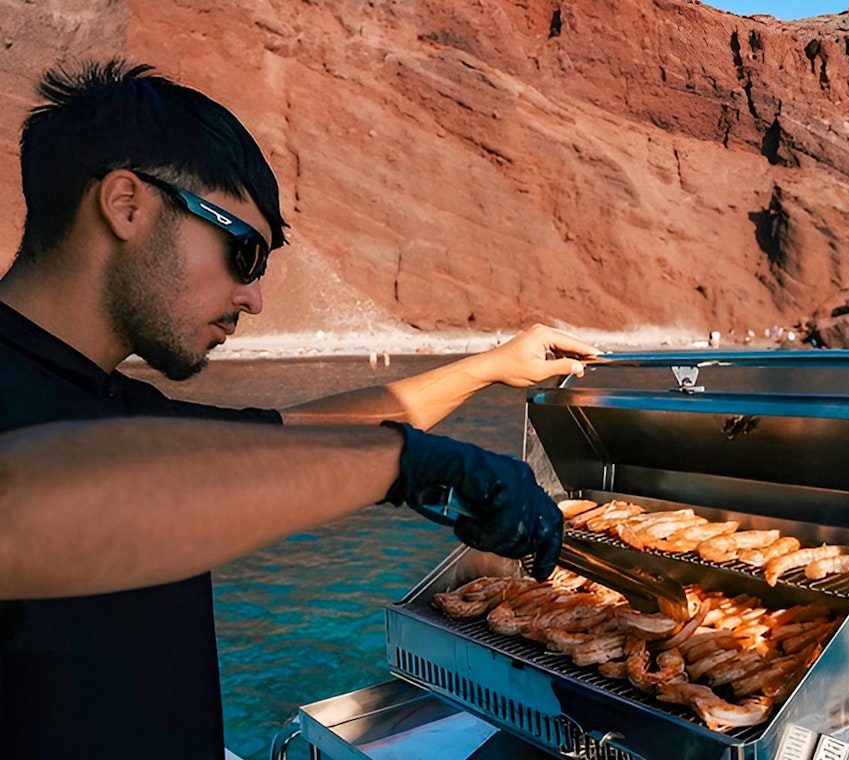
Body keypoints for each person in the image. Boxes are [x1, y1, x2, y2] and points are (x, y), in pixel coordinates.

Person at [0, 58, 597, 759]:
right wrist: (409, 467)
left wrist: (489, 367)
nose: (254, 297)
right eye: (244, 252)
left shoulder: (113, 404)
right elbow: (19, 508)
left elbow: (301, 437)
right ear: (127, 204)